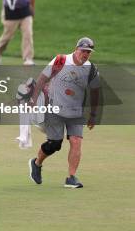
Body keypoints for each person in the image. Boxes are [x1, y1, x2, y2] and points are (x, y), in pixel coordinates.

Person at [27, 37, 100, 189]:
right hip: (55, 109)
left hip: (76, 112)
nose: (85, 54)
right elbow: (42, 79)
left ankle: (71, 177)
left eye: (88, 52)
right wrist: (33, 99)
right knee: (55, 144)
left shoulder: (91, 69)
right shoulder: (60, 60)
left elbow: (95, 92)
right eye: (83, 51)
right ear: (76, 48)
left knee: (76, 141)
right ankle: (36, 163)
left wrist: (93, 114)